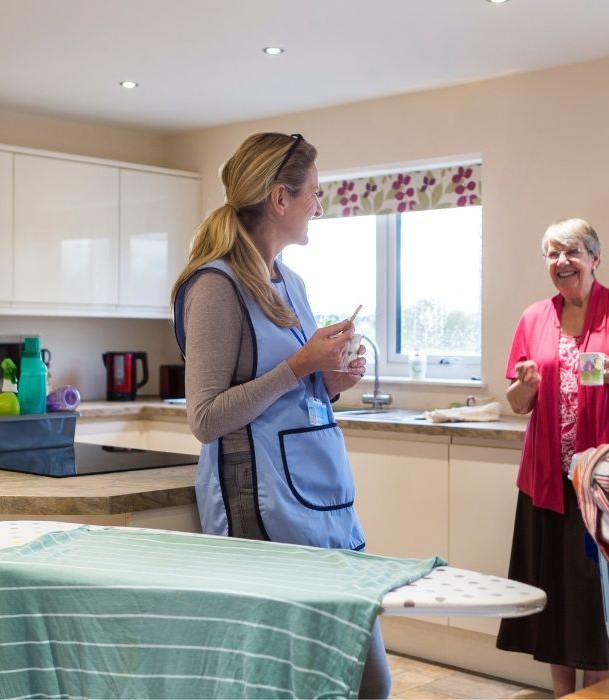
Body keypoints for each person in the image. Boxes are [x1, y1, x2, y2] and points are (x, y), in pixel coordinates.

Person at [170, 133, 389, 698]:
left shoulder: (291, 282)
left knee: (366, 680)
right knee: (294, 683)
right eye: (314, 192)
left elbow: (296, 391)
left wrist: (329, 379)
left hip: (321, 497)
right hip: (262, 509)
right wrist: (299, 365)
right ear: (279, 199)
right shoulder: (216, 287)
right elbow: (206, 418)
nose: (321, 204)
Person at [495, 218, 609, 697]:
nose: (561, 262)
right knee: (554, 586)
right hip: (549, 479)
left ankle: (595, 691)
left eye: (571, 251)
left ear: (595, 257)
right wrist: (524, 385)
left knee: (599, 590)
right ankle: (561, 694)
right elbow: (517, 402)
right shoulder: (533, 317)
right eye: (552, 254)